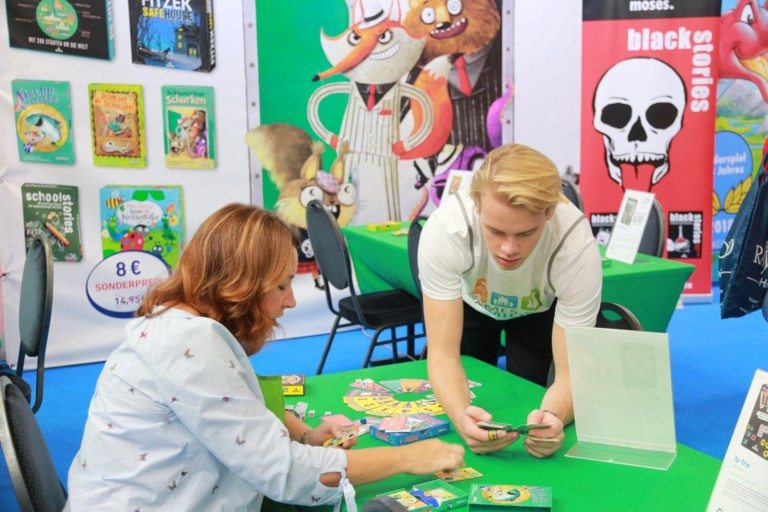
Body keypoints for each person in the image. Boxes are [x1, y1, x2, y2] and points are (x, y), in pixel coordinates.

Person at [65, 204, 464, 511]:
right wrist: (407, 457)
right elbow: (286, 474)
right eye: (281, 286)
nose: (291, 301)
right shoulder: (192, 341)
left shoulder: (179, 320)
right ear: (239, 284)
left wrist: (303, 433)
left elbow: (229, 404)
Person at [418, 143, 602, 457]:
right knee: (471, 400)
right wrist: (461, 417)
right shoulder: (446, 230)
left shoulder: (575, 248)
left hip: (538, 310)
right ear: (477, 205)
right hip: (470, 302)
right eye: (496, 231)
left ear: (549, 212)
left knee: (532, 400)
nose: (509, 249)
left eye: (526, 233)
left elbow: (572, 374)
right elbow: (443, 354)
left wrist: (554, 418)